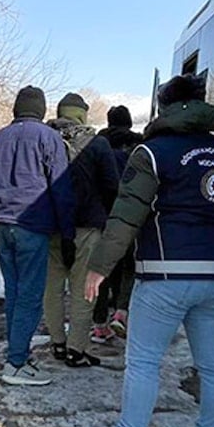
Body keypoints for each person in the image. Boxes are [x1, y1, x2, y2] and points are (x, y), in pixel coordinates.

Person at [80, 74, 214, 427]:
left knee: (143, 362)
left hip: (165, 277)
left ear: (165, 108)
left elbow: (125, 216)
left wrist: (99, 267)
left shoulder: (153, 153)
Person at [0, 86, 75, 386]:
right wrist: (68, 235)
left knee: (14, 293)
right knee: (30, 297)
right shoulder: (50, 139)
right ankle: (15, 364)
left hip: (2, 228)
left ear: (16, 109)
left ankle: (19, 356)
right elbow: (61, 190)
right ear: (41, 110)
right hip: (33, 227)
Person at [43, 92, 118, 366]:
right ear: (82, 115)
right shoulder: (98, 144)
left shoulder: (47, 140)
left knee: (52, 289)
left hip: (52, 228)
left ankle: (57, 343)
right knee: (84, 291)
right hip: (88, 228)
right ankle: (77, 349)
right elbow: (112, 186)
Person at [95, 105, 143, 337]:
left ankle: (100, 324)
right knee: (128, 266)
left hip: (103, 215)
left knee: (103, 267)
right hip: (131, 215)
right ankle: (121, 312)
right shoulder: (140, 145)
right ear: (130, 121)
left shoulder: (98, 143)